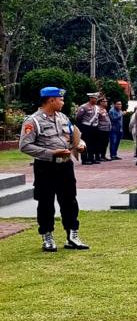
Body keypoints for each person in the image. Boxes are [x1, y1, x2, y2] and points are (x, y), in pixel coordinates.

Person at [18, 86, 89, 253]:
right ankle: (47, 236)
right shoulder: (33, 121)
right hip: (46, 167)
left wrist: (80, 145)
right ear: (51, 100)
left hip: (65, 165)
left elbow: (74, 136)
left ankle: (72, 235)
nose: (63, 102)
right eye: (60, 100)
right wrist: (51, 153)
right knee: (46, 202)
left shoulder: (63, 118)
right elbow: (25, 146)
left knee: (70, 200)